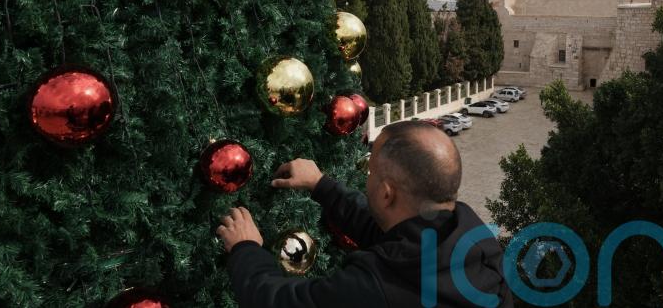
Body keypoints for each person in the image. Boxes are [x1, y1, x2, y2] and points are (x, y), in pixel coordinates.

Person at [216, 120, 514, 307]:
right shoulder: (474, 241)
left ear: (386, 193)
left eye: (371, 172)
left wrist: (245, 248)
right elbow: (387, 235)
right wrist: (321, 185)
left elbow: (278, 301)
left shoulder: (377, 287)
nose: (366, 178)